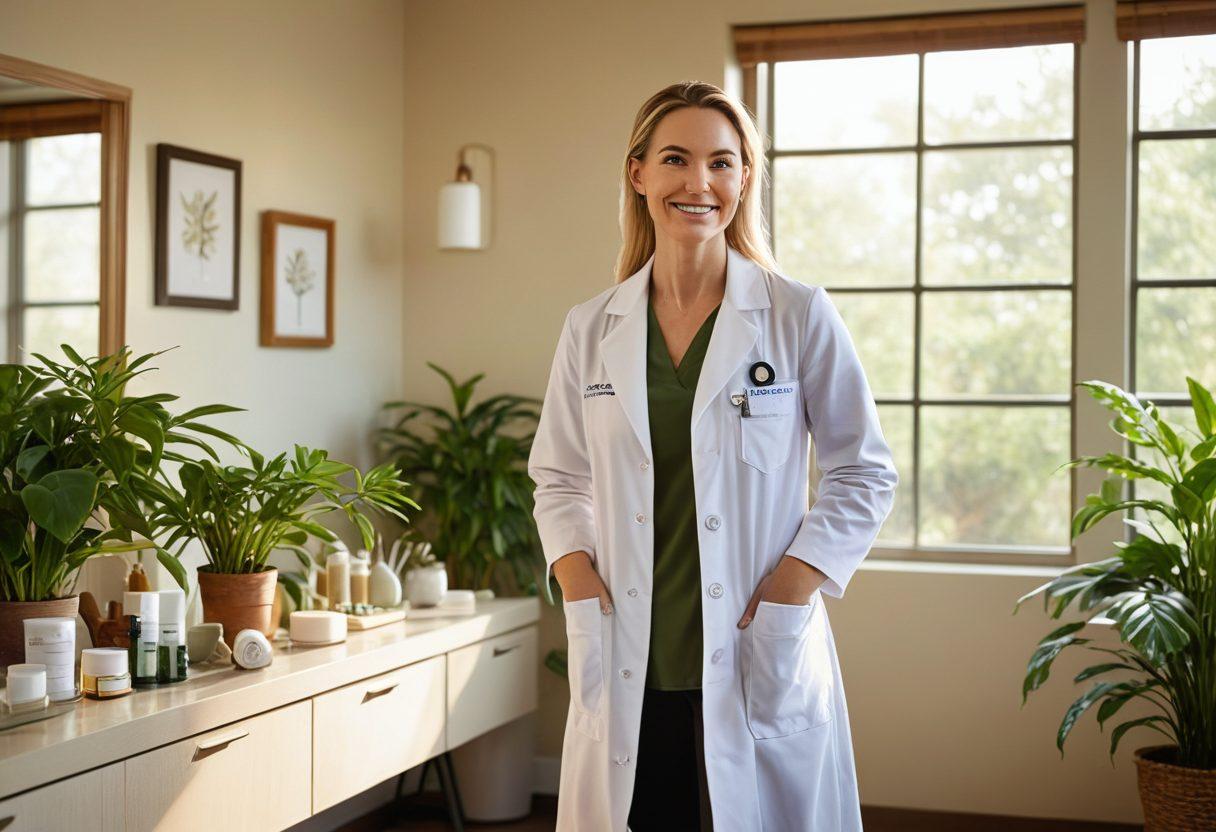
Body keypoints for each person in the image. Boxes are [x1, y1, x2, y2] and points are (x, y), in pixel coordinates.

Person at [528, 80, 898, 832]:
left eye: (723, 164)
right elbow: (559, 474)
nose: (700, 183)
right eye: (676, 159)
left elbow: (864, 471)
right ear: (639, 175)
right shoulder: (592, 327)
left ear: (744, 181)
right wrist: (574, 572)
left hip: (754, 645)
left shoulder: (796, 314)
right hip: (634, 646)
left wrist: (796, 582)